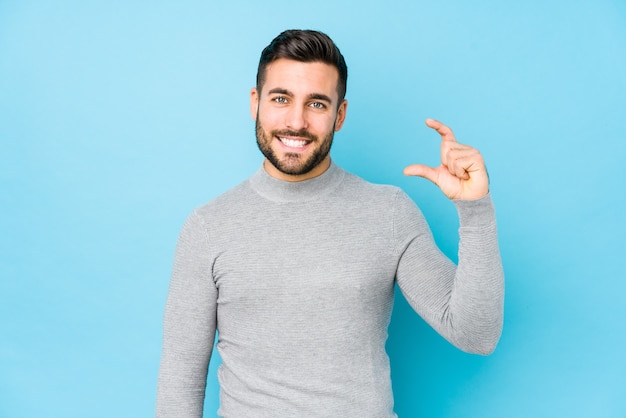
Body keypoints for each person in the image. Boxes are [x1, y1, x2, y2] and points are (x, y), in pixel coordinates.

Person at [156, 29, 504, 417]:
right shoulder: (208, 226)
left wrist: (475, 210)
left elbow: (476, 334)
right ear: (256, 103)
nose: (296, 121)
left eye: (317, 104)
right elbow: (181, 377)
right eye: (281, 98)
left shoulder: (387, 213)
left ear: (339, 115)